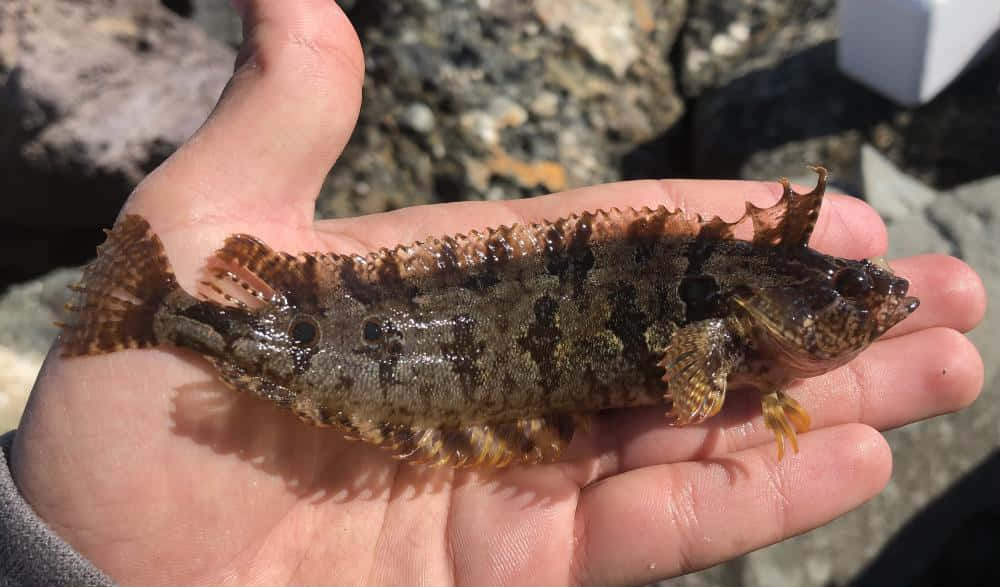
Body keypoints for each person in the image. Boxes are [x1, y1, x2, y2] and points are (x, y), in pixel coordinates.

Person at [1, 1, 986, 584]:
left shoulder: (744, 326)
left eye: (858, 291)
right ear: (780, 301)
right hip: (457, 360)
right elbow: (694, 387)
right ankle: (163, 313)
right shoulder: (730, 334)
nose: (875, 297)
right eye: (853, 295)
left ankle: (165, 312)